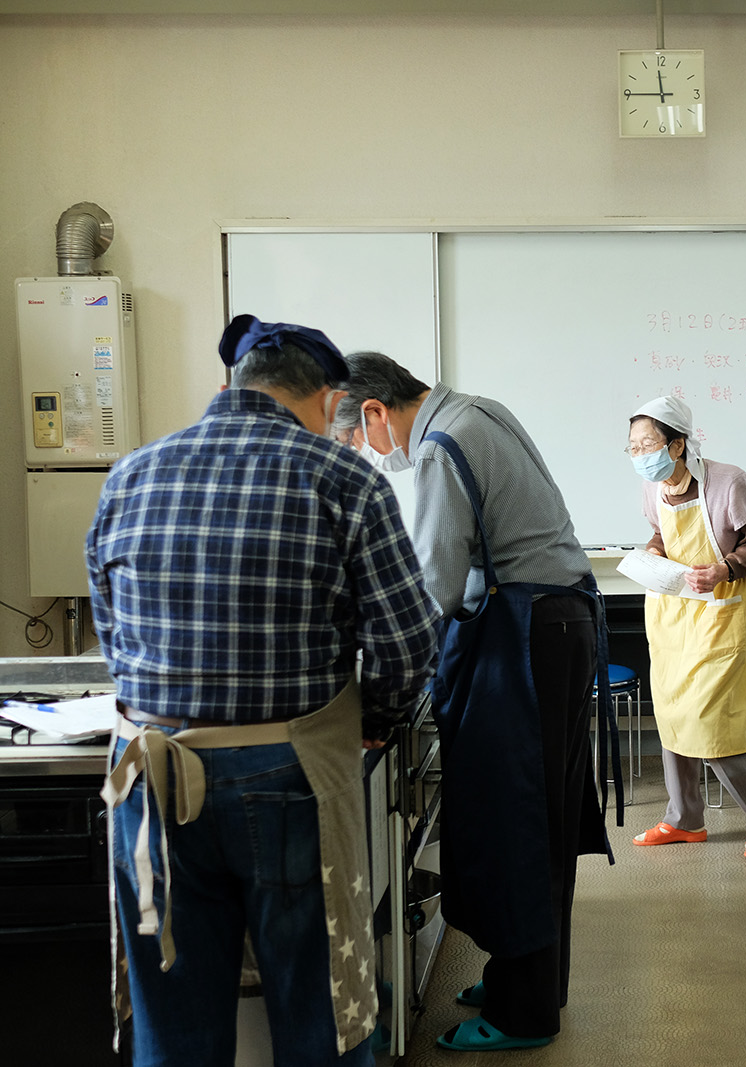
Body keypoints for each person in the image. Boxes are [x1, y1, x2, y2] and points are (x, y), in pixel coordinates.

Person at [87, 316, 439, 1066]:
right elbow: (408, 642)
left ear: (228, 388)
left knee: (173, 1023)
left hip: (150, 772)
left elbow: (112, 633)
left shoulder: (130, 473)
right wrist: (374, 717)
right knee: (320, 1011)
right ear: (326, 400)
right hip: (288, 775)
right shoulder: (343, 479)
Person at [332, 353, 614, 1053]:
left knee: (517, 820)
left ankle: (526, 1010)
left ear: (374, 411)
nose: (367, 455)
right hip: (554, 623)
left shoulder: (437, 446)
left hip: (526, 635)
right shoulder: (477, 410)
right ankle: (531, 980)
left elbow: (435, 584)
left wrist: (382, 676)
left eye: (353, 440)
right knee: (536, 815)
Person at [625, 396, 746, 857]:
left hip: (721, 607)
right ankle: (684, 819)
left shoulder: (729, 481)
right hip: (672, 612)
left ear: (677, 445)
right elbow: (662, 531)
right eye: (632, 448)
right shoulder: (653, 488)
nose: (640, 456)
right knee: (674, 712)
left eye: (647, 445)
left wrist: (723, 568)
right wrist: (654, 550)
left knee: (709, 716)